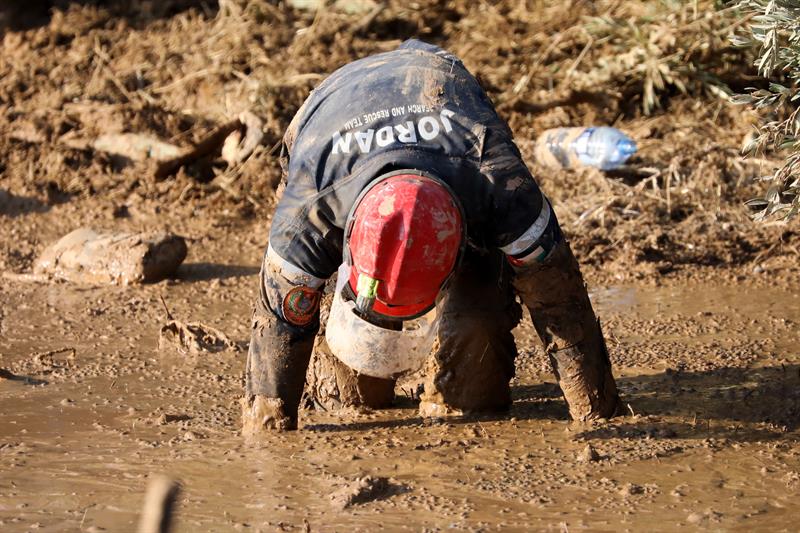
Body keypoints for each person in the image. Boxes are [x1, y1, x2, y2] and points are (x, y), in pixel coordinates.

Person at [241, 39, 620, 434]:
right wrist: (268, 435)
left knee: (474, 359)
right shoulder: (308, 209)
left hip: (436, 86)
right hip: (334, 103)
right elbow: (278, 326)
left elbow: (560, 300)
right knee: (347, 397)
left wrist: (596, 414)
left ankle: (466, 313)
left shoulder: (500, 184)